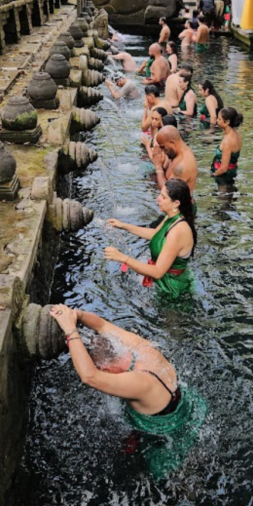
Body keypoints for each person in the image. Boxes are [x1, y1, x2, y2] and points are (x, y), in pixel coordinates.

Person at [47, 303, 205, 476]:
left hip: (168, 434)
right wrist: (75, 315)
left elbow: (89, 377)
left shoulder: (138, 382)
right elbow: (102, 325)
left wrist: (71, 331)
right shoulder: (141, 347)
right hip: (188, 407)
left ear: (105, 369)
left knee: (167, 475)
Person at [104, 178, 196, 298]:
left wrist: (123, 258)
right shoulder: (172, 216)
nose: (157, 199)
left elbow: (158, 272)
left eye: (163, 197)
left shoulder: (178, 231)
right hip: (164, 284)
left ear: (176, 203)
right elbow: (155, 235)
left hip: (173, 290)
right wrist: (123, 225)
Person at [148, 125, 199, 194]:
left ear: (172, 142)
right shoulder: (175, 153)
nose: (162, 151)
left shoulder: (183, 165)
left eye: (163, 147)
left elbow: (167, 192)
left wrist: (158, 166)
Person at [211, 107, 243, 184]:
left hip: (224, 176)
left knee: (223, 195)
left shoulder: (227, 141)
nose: (217, 121)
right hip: (232, 171)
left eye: (219, 119)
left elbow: (223, 169)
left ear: (227, 122)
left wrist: (212, 175)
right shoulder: (237, 134)